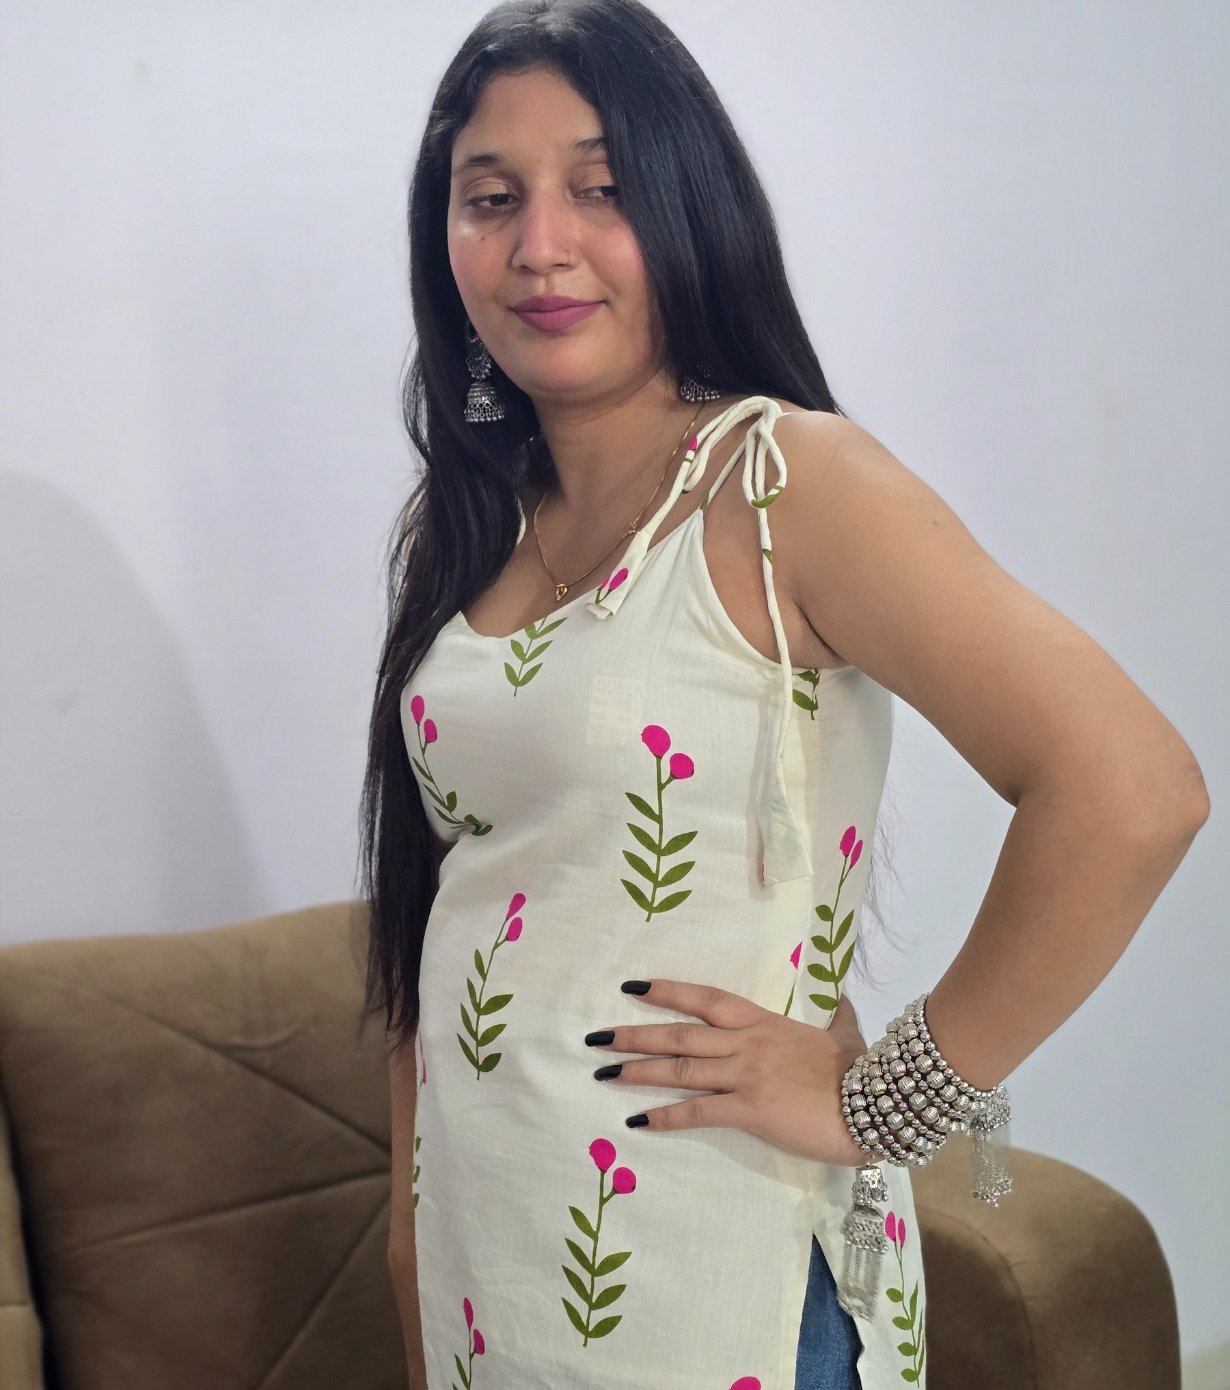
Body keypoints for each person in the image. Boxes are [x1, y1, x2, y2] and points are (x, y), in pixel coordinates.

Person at [360, 2, 1209, 1387]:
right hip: (487, 1269)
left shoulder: (782, 486)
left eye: (601, 188)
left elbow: (1133, 790)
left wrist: (884, 1099)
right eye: (490, 198)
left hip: (722, 1279)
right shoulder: (458, 528)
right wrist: (411, 1252)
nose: (539, 245)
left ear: (688, 207)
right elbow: (436, 909)